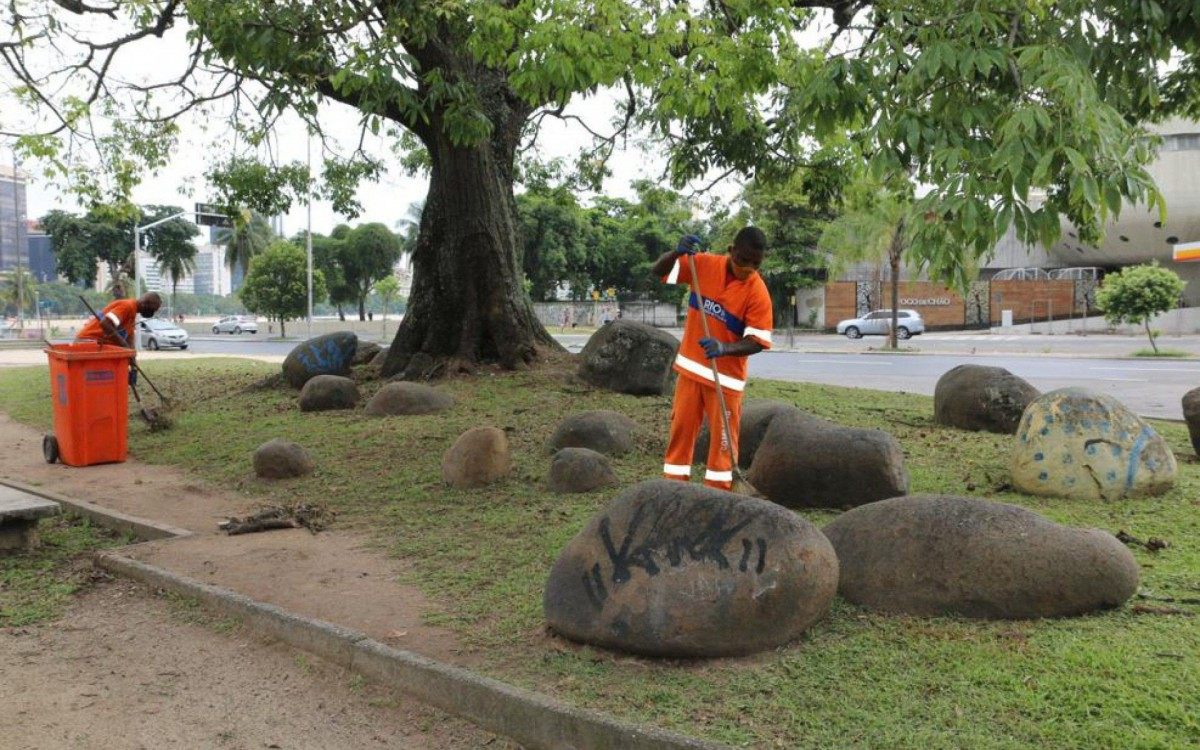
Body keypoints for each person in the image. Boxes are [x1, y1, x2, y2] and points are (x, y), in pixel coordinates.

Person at [651, 228, 772, 491]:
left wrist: (724, 348)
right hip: (691, 372)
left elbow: (757, 342)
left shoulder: (757, 292)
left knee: (723, 444)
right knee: (680, 434)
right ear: (731, 251)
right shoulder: (702, 265)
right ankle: (674, 488)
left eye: (756, 263)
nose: (748, 268)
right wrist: (676, 252)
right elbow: (659, 271)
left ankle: (719, 495)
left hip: (726, 382)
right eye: (743, 260)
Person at [76, 292, 163, 349]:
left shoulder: (132, 314)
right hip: (89, 342)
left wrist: (131, 355)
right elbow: (105, 323)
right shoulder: (127, 306)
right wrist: (123, 344)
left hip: (100, 345)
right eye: (153, 310)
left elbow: (130, 339)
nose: (153, 313)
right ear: (146, 304)